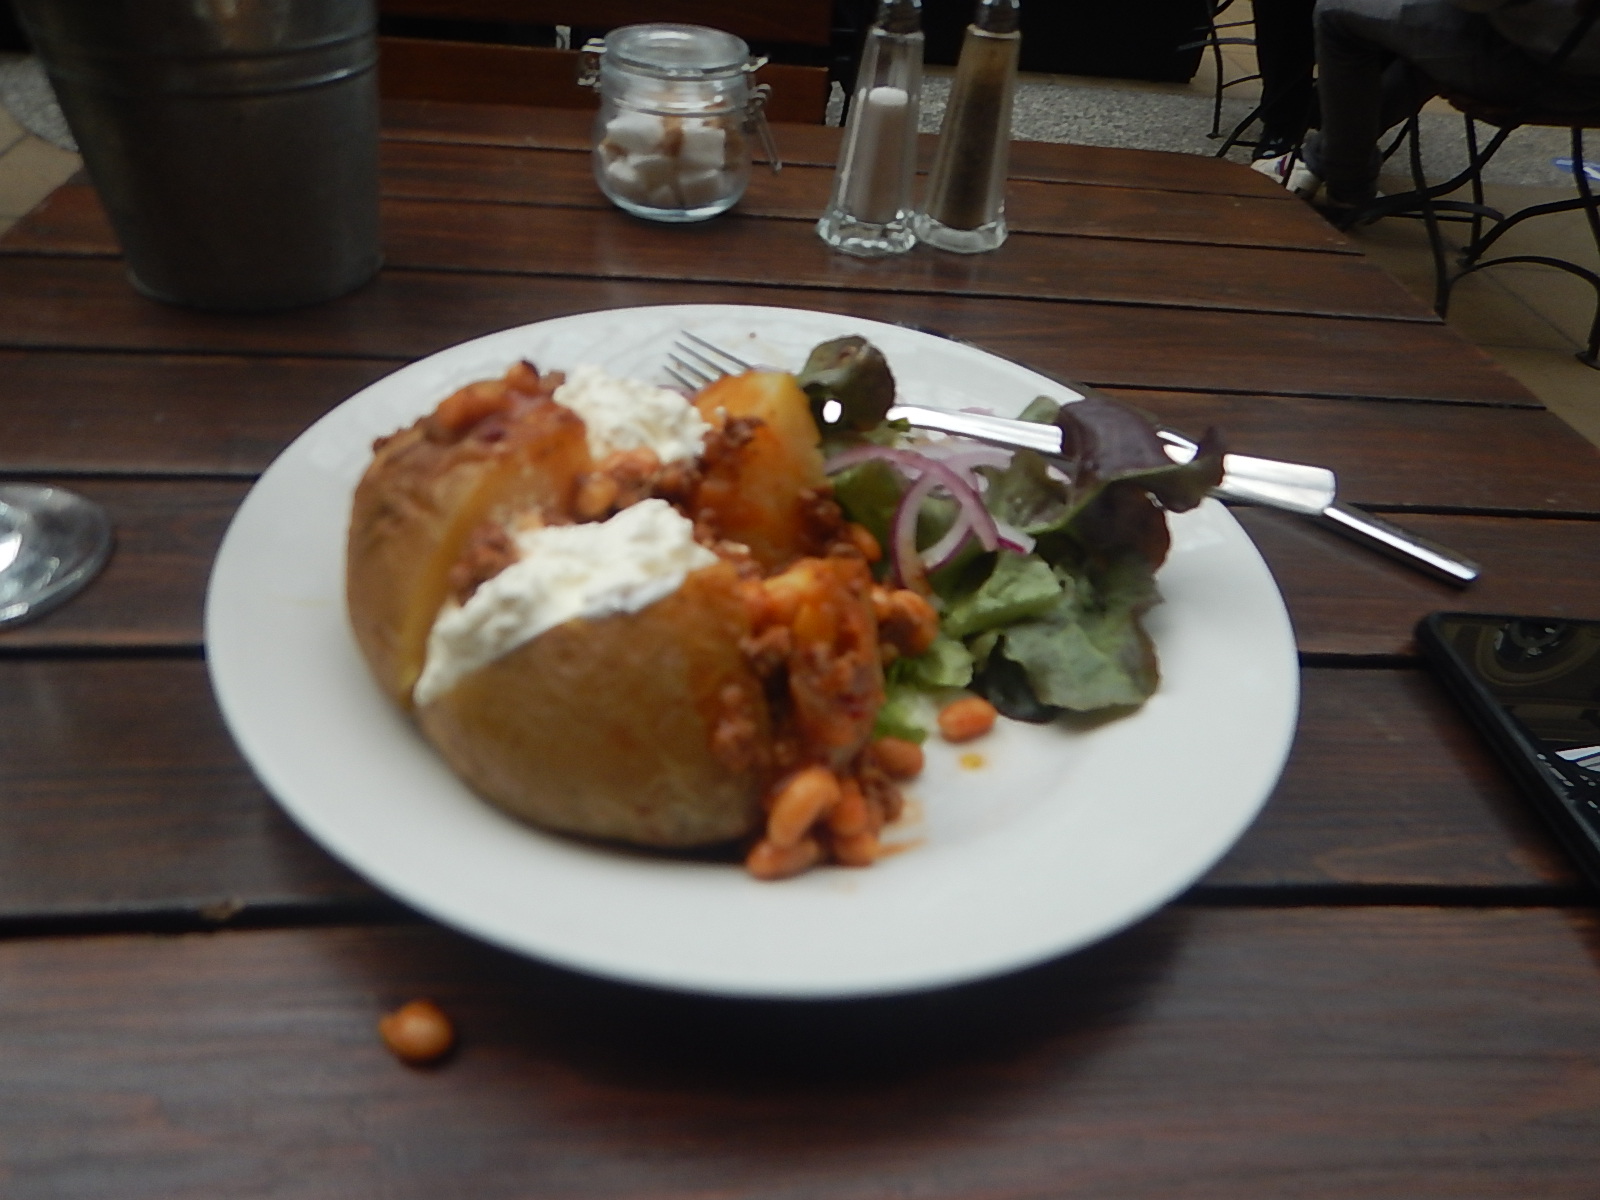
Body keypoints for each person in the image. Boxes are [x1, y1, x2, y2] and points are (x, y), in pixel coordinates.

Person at [1254, 0, 1600, 218]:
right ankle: (1321, 152)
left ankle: (1345, 185)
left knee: (1337, 14)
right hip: (1575, 60)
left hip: (1548, 71)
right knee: (1411, 23)